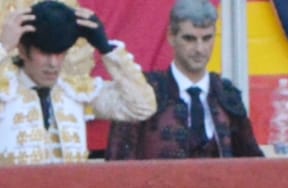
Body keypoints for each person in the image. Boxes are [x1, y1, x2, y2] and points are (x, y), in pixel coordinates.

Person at [0, 0, 154, 165]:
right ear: (22, 50)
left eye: (60, 53)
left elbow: (141, 107)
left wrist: (106, 49)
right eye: (44, 53)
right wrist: (2, 47)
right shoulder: (5, 90)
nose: (53, 63)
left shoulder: (75, 91)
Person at [105, 0, 260, 160]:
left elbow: (252, 165)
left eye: (207, 38)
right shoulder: (143, 92)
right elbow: (118, 165)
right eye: (189, 39)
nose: (200, 49)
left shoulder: (227, 95)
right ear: (171, 37)